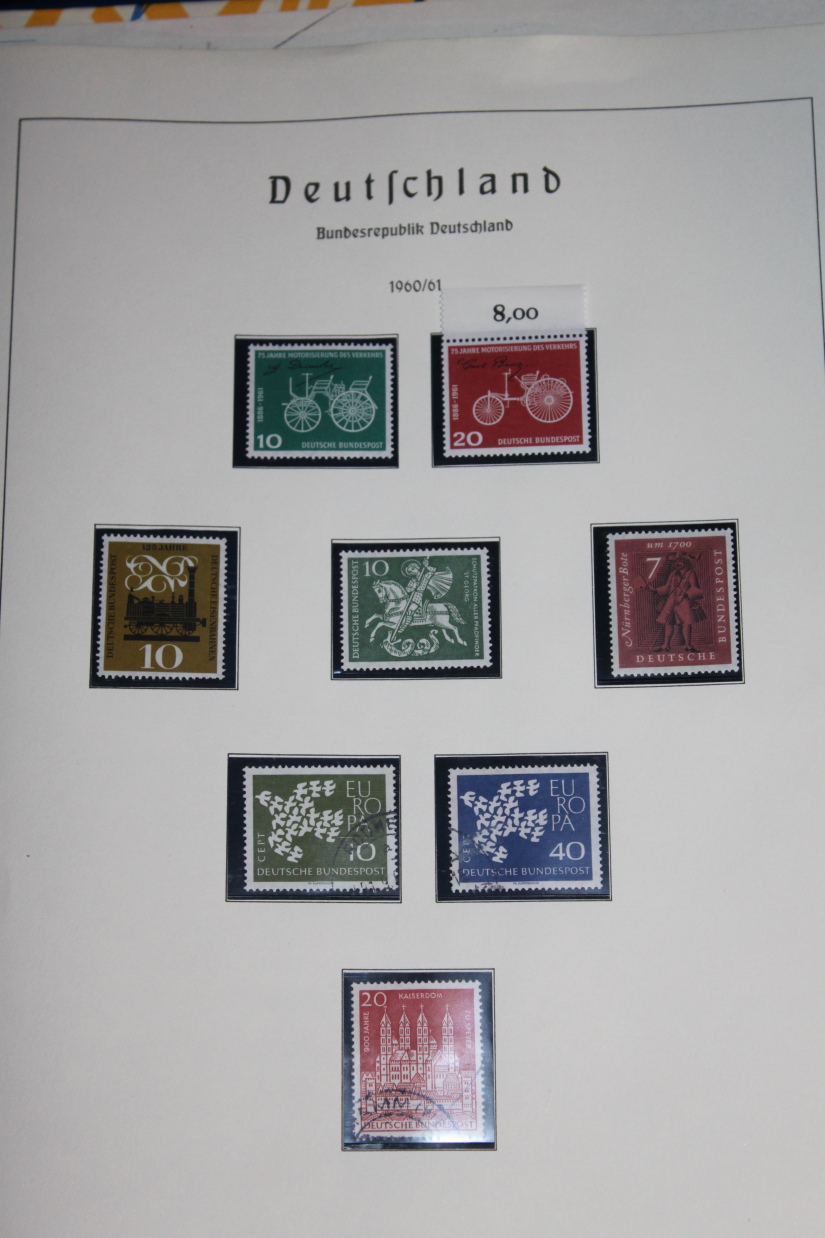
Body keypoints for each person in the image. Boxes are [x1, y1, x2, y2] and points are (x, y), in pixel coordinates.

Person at [646, 553, 706, 653]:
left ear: (685, 562)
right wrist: (655, 590)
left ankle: (688, 645)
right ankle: (666, 645)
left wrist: (686, 594)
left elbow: (695, 588)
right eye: (676, 561)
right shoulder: (673, 573)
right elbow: (667, 588)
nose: (677, 563)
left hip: (684, 601)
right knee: (668, 623)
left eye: (680, 561)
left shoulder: (690, 573)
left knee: (686, 623)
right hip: (671, 601)